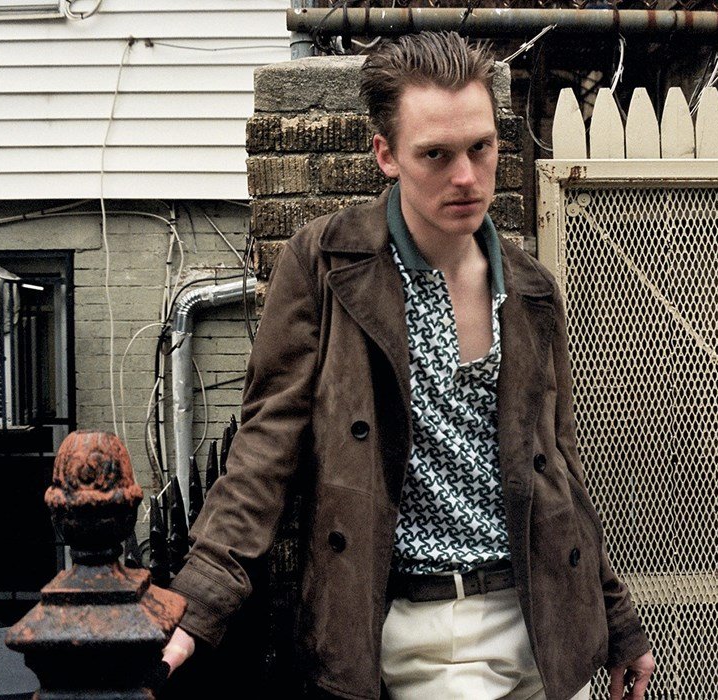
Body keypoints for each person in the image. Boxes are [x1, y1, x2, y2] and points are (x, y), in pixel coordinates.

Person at [161, 31, 655, 700]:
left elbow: (559, 469)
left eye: (481, 148)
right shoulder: (327, 265)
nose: (466, 176)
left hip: (549, 628)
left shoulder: (531, 289)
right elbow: (264, 449)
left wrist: (618, 620)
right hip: (430, 636)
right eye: (436, 155)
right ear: (386, 155)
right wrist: (200, 597)